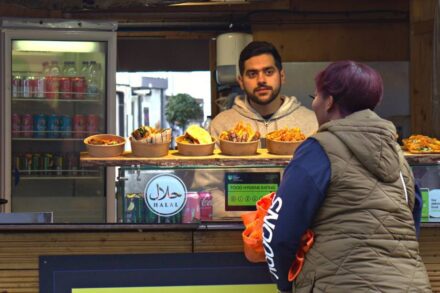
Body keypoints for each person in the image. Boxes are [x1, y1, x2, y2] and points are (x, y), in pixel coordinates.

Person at [263, 61, 431, 292]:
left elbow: (280, 232)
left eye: (316, 96)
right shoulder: (399, 156)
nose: (315, 104)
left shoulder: (318, 149)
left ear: (329, 101)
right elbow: (411, 220)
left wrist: (284, 282)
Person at [210, 41, 318, 143]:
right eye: (252, 74)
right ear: (241, 81)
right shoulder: (221, 125)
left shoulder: (312, 123)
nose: (261, 80)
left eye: (269, 72)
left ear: (282, 76)